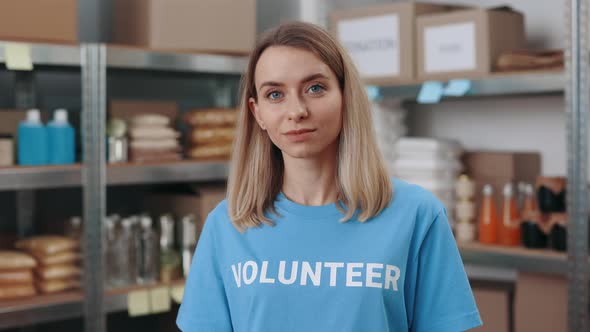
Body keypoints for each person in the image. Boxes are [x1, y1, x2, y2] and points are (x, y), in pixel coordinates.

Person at [177, 21, 482, 332]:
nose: (296, 110)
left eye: (315, 88)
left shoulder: (417, 216)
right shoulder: (227, 225)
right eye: (275, 94)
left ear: (346, 97)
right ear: (258, 114)